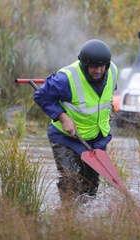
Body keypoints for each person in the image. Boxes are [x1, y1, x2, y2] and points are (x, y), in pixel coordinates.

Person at [34, 39, 118, 203]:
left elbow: (106, 96)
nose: (98, 70)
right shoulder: (65, 79)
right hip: (65, 139)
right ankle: (67, 217)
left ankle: (85, 222)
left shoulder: (113, 70)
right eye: (94, 66)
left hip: (96, 138)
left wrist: (108, 111)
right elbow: (41, 96)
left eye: (102, 66)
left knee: (91, 187)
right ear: (84, 64)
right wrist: (63, 117)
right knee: (71, 180)